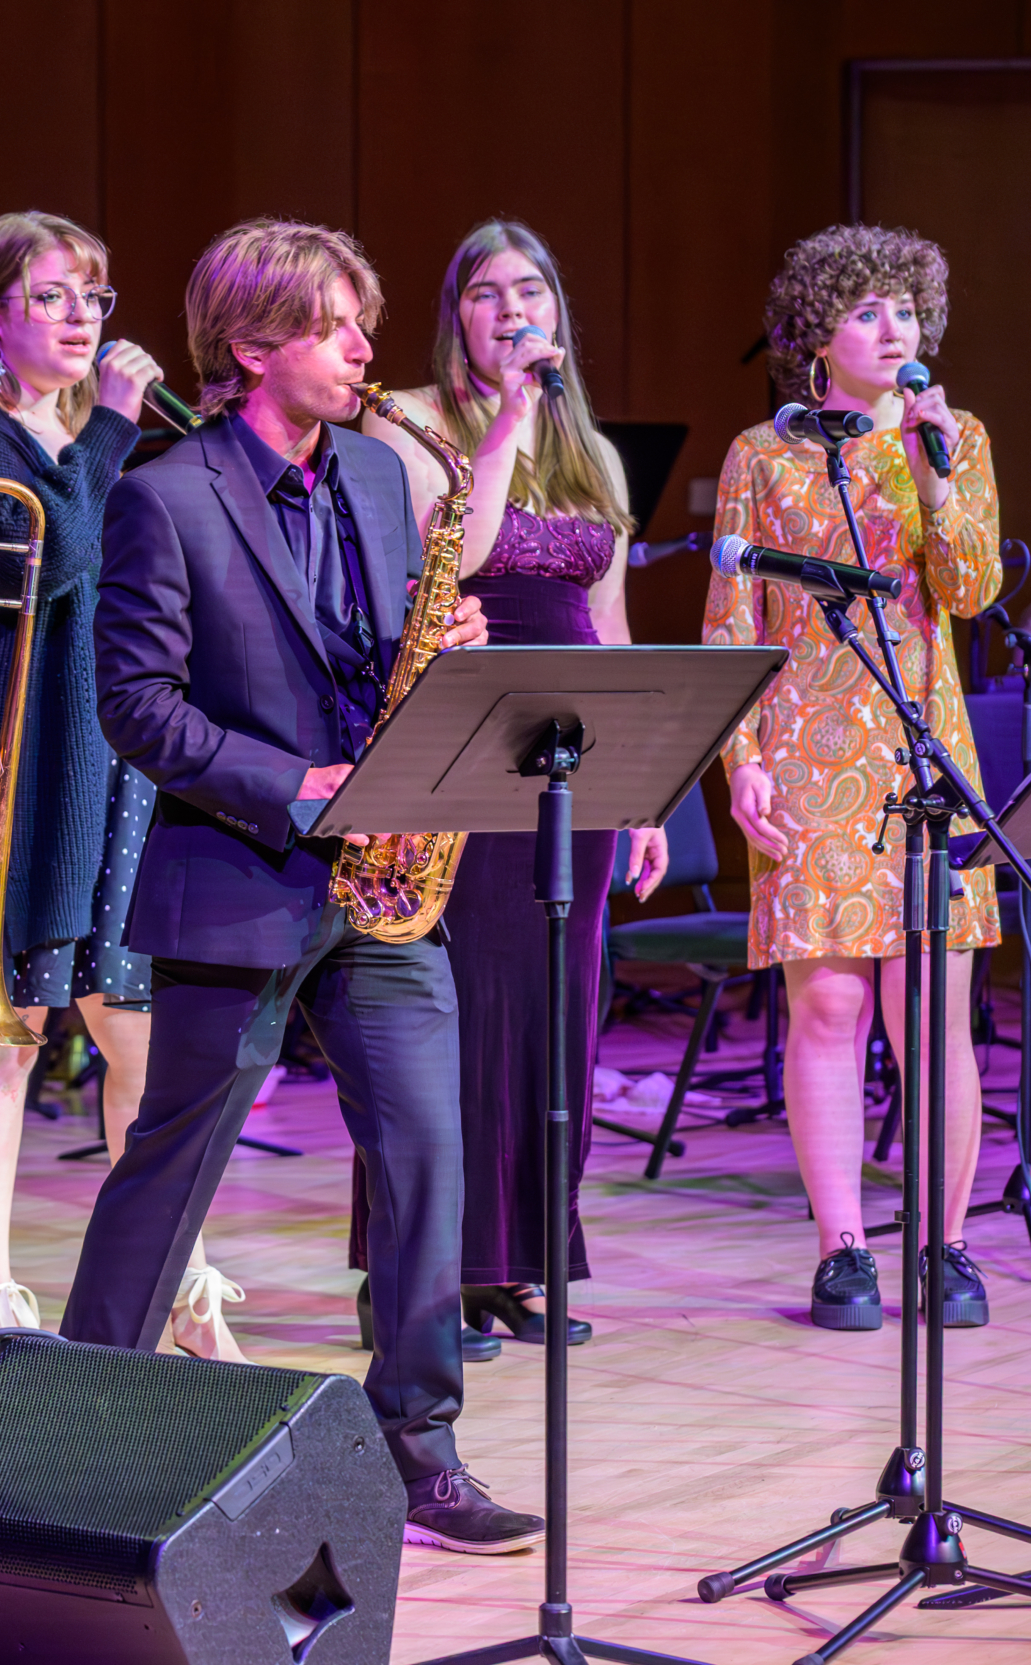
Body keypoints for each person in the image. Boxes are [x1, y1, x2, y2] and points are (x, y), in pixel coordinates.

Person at [62, 217, 541, 1557]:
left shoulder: (384, 483)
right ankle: (86, 1426)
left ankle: (419, 1444)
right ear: (254, 344)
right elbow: (135, 708)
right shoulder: (166, 493)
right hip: (241, 869)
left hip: (386, 882)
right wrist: (296, 785)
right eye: (338, 326)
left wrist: (444, 644)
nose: (366, 350)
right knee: (174, 1161)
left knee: (427, 1150)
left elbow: (374, 654)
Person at [0, 212, 247, 1365]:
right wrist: (116, 436)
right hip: (14, 773)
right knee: (5, 1040)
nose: (85, 317)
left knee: (140, 1040)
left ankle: (175, 1286)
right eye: (51, 296)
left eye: (95, 295)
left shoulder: (93, 434)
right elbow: (56, 555)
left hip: (112, 765)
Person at [352, 218, 669, 1348]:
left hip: (573, 761)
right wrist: (506, 428)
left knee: (556, 1011)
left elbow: (614, 625)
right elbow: (456, 558)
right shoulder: (411, 428)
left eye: (527, 289)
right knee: (457, 1011)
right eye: (484, 294)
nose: (508, 309)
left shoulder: (594, 455)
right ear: (458, 318)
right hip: (462, 737)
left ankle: (526, 1255)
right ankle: (429, 1266)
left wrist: (640, 792)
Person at [701, 224, 1002, 1331]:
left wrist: (935, 471)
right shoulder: (760, 455)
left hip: (923, 754)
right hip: (803, 750)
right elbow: (732, 628)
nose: (893, 330)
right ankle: (843, 1251)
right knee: (826, 1004)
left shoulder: (954, 436)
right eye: (867, 311)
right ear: (814, 336)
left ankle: (945, 1246)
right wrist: (739, 764)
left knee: (932, 1012)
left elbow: (968, 589)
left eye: (905, 311)